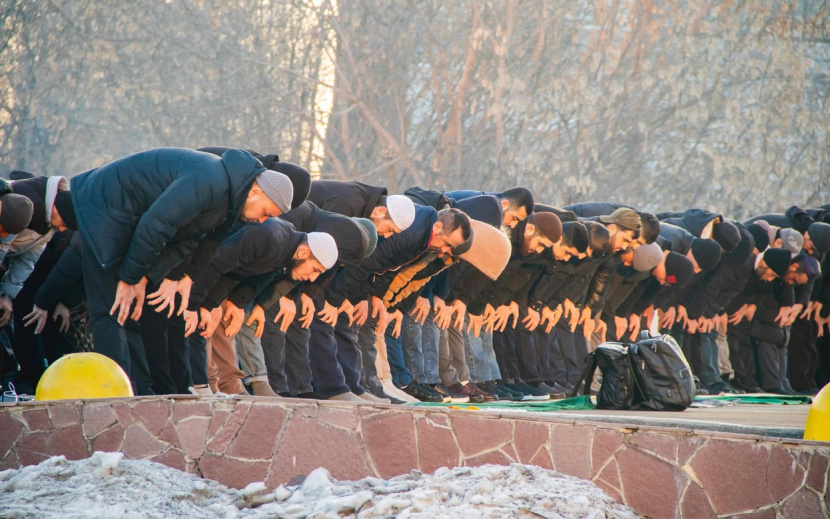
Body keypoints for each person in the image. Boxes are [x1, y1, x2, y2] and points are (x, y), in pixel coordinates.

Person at [69, 147, 293, 386]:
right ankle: (114, 395)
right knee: (112, 309)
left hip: (132, 222)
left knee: (132, 311)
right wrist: (130, 279)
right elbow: (155, 225)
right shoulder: (210, 181)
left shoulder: (229, 202)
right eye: (266, 212)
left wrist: (157, 278)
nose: (261, 221)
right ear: (255, 192)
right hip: (106, 208)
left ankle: (140, 392)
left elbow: (196, 242)